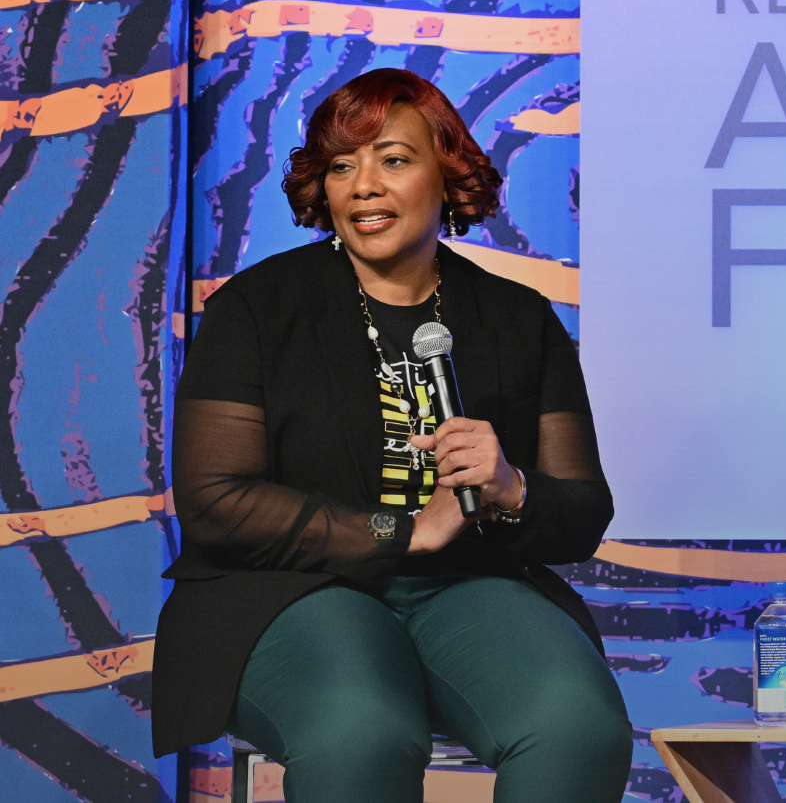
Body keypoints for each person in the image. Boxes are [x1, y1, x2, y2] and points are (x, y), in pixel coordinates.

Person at [151, 69, 631, 803]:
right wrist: (399, 532)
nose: (363, 185)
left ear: (448, 172)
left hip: (467, 584)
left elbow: (581, 511)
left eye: (394, 159)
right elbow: (216, 501)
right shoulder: (256, 307)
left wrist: (511, 488)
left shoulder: (517, 317)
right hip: (285, 589)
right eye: (342, 165)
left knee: (577, 726)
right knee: (362, 730)